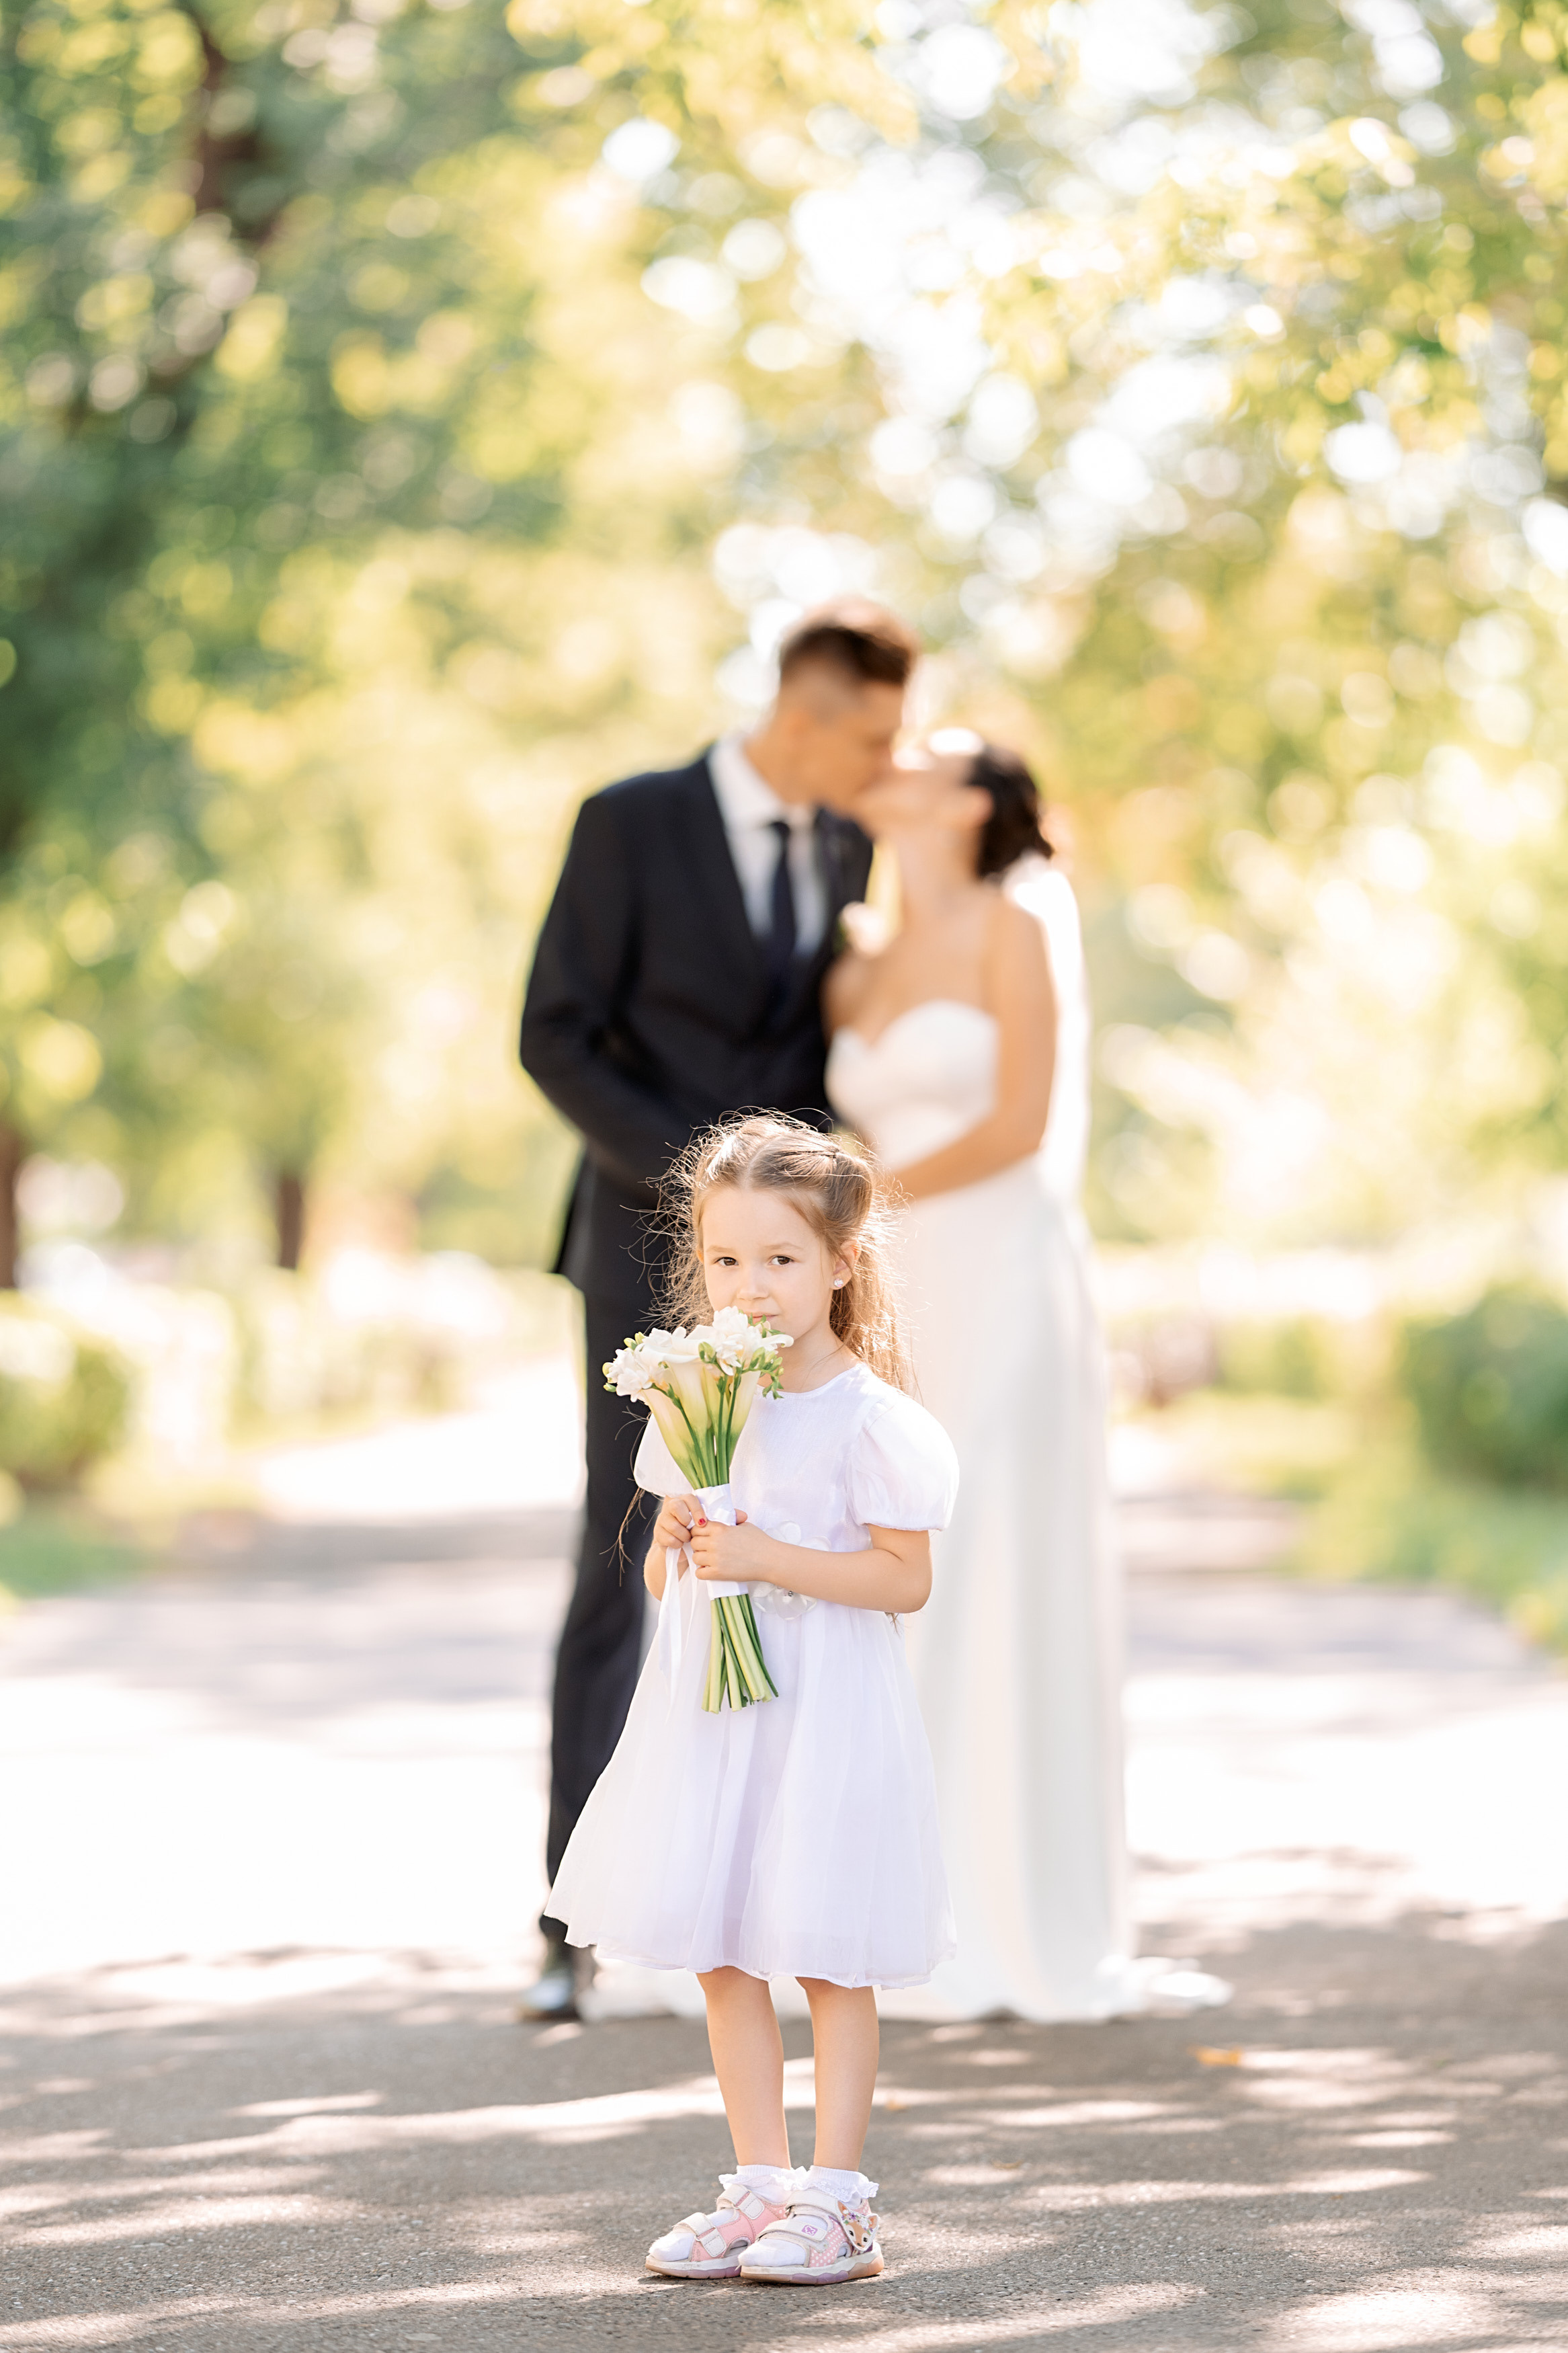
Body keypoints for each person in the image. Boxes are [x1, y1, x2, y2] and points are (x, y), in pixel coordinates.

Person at [515, 602, 919, 2020]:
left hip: (806, 1283)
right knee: (631, 1548)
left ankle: (754, 1895)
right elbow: (551, 1031)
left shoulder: (857, 850)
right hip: (648, 1259)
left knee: (788, 1549)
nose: (888, 761)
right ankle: (569, 1923)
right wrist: (705, 1201)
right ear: (807, 712)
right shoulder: (627, 823)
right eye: (873, 734)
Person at [825, 735, 1212, 2021]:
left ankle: (997, 1904)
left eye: (922, 750)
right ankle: (857, 1892)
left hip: (995, 1266)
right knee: (874, 1540)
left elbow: (1023, 1118)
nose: (889, 755)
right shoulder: (857, 951)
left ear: (973, 801)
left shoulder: (1019, 918)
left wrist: (857, 1205)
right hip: (888, 1282)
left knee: (980, 1540)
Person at [547, 1116, 958, 2282]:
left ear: (840, 1260)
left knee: (826, 1952)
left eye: (780, 1260)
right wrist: (678, 1537)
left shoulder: (874, 1420)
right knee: (725, 1950)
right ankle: (759, 2185)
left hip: (823, 1716)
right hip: (720, 1719)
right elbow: (665, 1573)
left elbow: (902, 1578)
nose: (751, 1287)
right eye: (727, 1262)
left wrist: (771, 1558)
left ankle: (838, 2200)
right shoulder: (696, 1398)